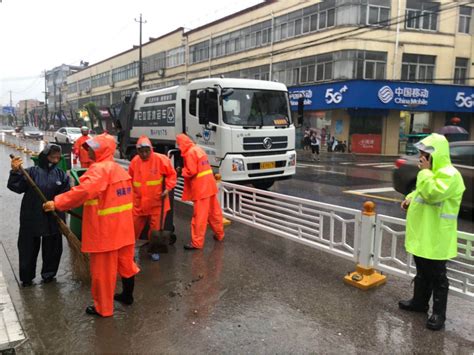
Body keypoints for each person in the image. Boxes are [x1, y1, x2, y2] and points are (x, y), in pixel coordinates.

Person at [43, 134, 139, 317]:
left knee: (103, 273)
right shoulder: (119, 170)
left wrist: (57, 203)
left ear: (102, 150)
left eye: (93, 148)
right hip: (124, 229)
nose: (89, 151)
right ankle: (127, 296)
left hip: (106, 233)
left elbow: (82, 192)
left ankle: (103, 308)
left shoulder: (99, 171)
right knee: (126, 263)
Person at [399, 133, 465, 331]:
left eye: (424, 154)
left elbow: (432, 193)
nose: (421, 158)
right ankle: (419, 303)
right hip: (423, 234)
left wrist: (425, 172)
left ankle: (439, 314)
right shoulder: (432, 172)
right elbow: (420, 192)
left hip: (436, 236)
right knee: (422, 272)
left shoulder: (450, 175)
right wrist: (409, 198)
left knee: (437, 277)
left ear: (435, 155)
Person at [7, 144, 70, 287]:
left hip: (53, 216)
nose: (55, 160)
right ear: (44, 156)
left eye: (57, 157)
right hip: (32, 215)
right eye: (52, 156)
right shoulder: (31, 172)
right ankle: (27, 277)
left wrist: (56, 204)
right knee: (28, 247)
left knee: (53, 247)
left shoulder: (61, 175)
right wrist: (15, 172)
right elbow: (15, 187)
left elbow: (67, 195)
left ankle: (49, 274)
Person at [128, 135, 177, 260]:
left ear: (151, 149)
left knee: (156, 230)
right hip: (139, 203)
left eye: (146, 151)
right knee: (132, 228)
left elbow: (172, 175)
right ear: (137, 151)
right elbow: (130, 180)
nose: (144, 154)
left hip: (157, 203)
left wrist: (167, 189)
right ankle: (129, 251)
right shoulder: (134, 162)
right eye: (141, 151)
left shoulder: (161, 160)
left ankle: (154, 250)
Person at [176, 134, 225, 250]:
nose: (178, 147)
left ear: (182, 144)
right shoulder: (198, 150)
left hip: (201, 189)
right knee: (214, 213)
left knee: (200, 217)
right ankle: (220, 234)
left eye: (179, 144)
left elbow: (191, 171)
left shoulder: (189, 153)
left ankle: (196, 243)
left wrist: (181, 171)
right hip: (210, 185)